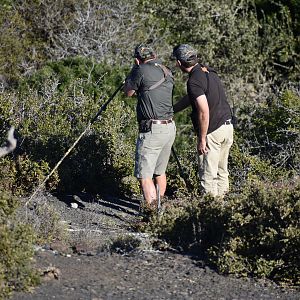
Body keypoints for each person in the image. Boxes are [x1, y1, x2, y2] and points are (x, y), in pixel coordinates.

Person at [171, 44, 234, 197]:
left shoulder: (193, 81)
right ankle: (224, 212)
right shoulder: (209, 72)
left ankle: (210, 214)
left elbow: (204, 111)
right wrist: (173, 109)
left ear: (179, 63)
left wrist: (202, 138)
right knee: (221, 172)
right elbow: (195, 97)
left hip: (212, 131)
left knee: (208, 176)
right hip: (227, 127)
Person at [124, 43, 176, 209]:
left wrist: (133, 71)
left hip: (152, 129)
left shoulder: (140, 70)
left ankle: (153, 212)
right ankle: (159, 208)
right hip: (169, 127)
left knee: (144, 175)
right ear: (155, 55)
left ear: (138, 59)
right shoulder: (167, 71)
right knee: (160, 171)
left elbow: (128, 92)